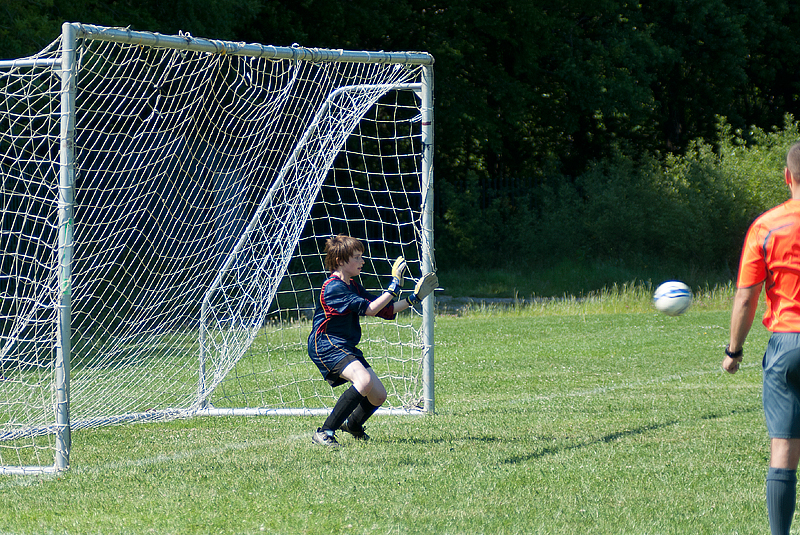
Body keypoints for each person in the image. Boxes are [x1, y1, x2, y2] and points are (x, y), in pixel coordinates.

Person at [724, 141, 800, 535]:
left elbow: (746, 297)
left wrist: (733, 350)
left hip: (787, 343)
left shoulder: (766, 226)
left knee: (784, 445)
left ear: (788, 177)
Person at [308, 234, 437, 447]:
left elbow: (383, 309)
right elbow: (370, 309)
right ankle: (325, 432)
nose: (362, 261)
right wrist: (394, 284)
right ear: (340, 261)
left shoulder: (352, 285)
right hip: (326, 344)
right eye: (357, 257)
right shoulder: (333, 286)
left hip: (344, 345)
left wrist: (414, 299)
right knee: (364, 382)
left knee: (378, 396)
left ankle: (353, 425)